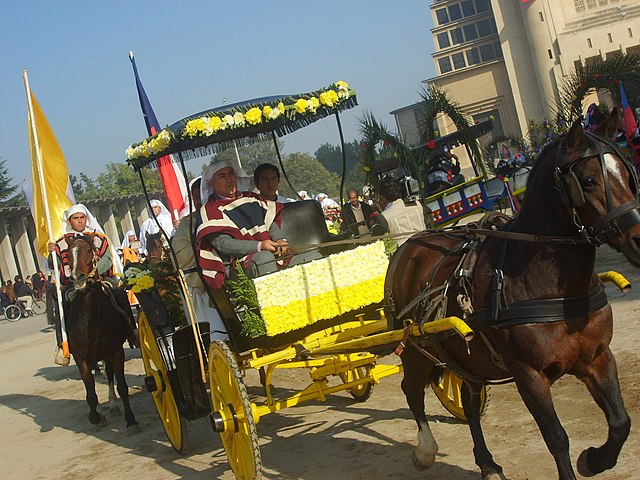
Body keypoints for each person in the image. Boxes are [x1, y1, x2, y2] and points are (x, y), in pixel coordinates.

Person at [197, 157, 319, 289]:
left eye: (231, 174)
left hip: (271, 254)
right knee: (264, 259)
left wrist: (279, 239)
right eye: (222, 176)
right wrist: (260, 246)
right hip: (240, 264)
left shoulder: (251, 197)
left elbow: (269, 222)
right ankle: (277, 304)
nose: (230, 179)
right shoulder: (210, 210)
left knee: (314, 257)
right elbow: (223, 244)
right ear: (212, 183)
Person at [47, 204, 137, 365]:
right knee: (62, 304)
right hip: (74, 282)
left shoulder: (99, 238)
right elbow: (54, 264)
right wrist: (51, 253)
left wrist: (93, 273)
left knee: (118, 293)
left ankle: (131, 330)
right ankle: (63, 345)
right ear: (70, 221)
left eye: (82, 218)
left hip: (98, 278)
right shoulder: (61, 242)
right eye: (76, 218)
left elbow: (108, 259)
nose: (80, 221)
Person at [172, 177, 227, 341]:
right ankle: (215, 338)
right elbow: (181, 255)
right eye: (196, 196)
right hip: (200, 280)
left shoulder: (225, 212)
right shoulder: (187, 224)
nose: (200, 200)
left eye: (203, 195)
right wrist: (208, 253)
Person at [376, 175, 429, 247]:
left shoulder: (384, 217)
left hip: (405, 253)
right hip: (427, 242)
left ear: (382, 196)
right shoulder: (417, 203)